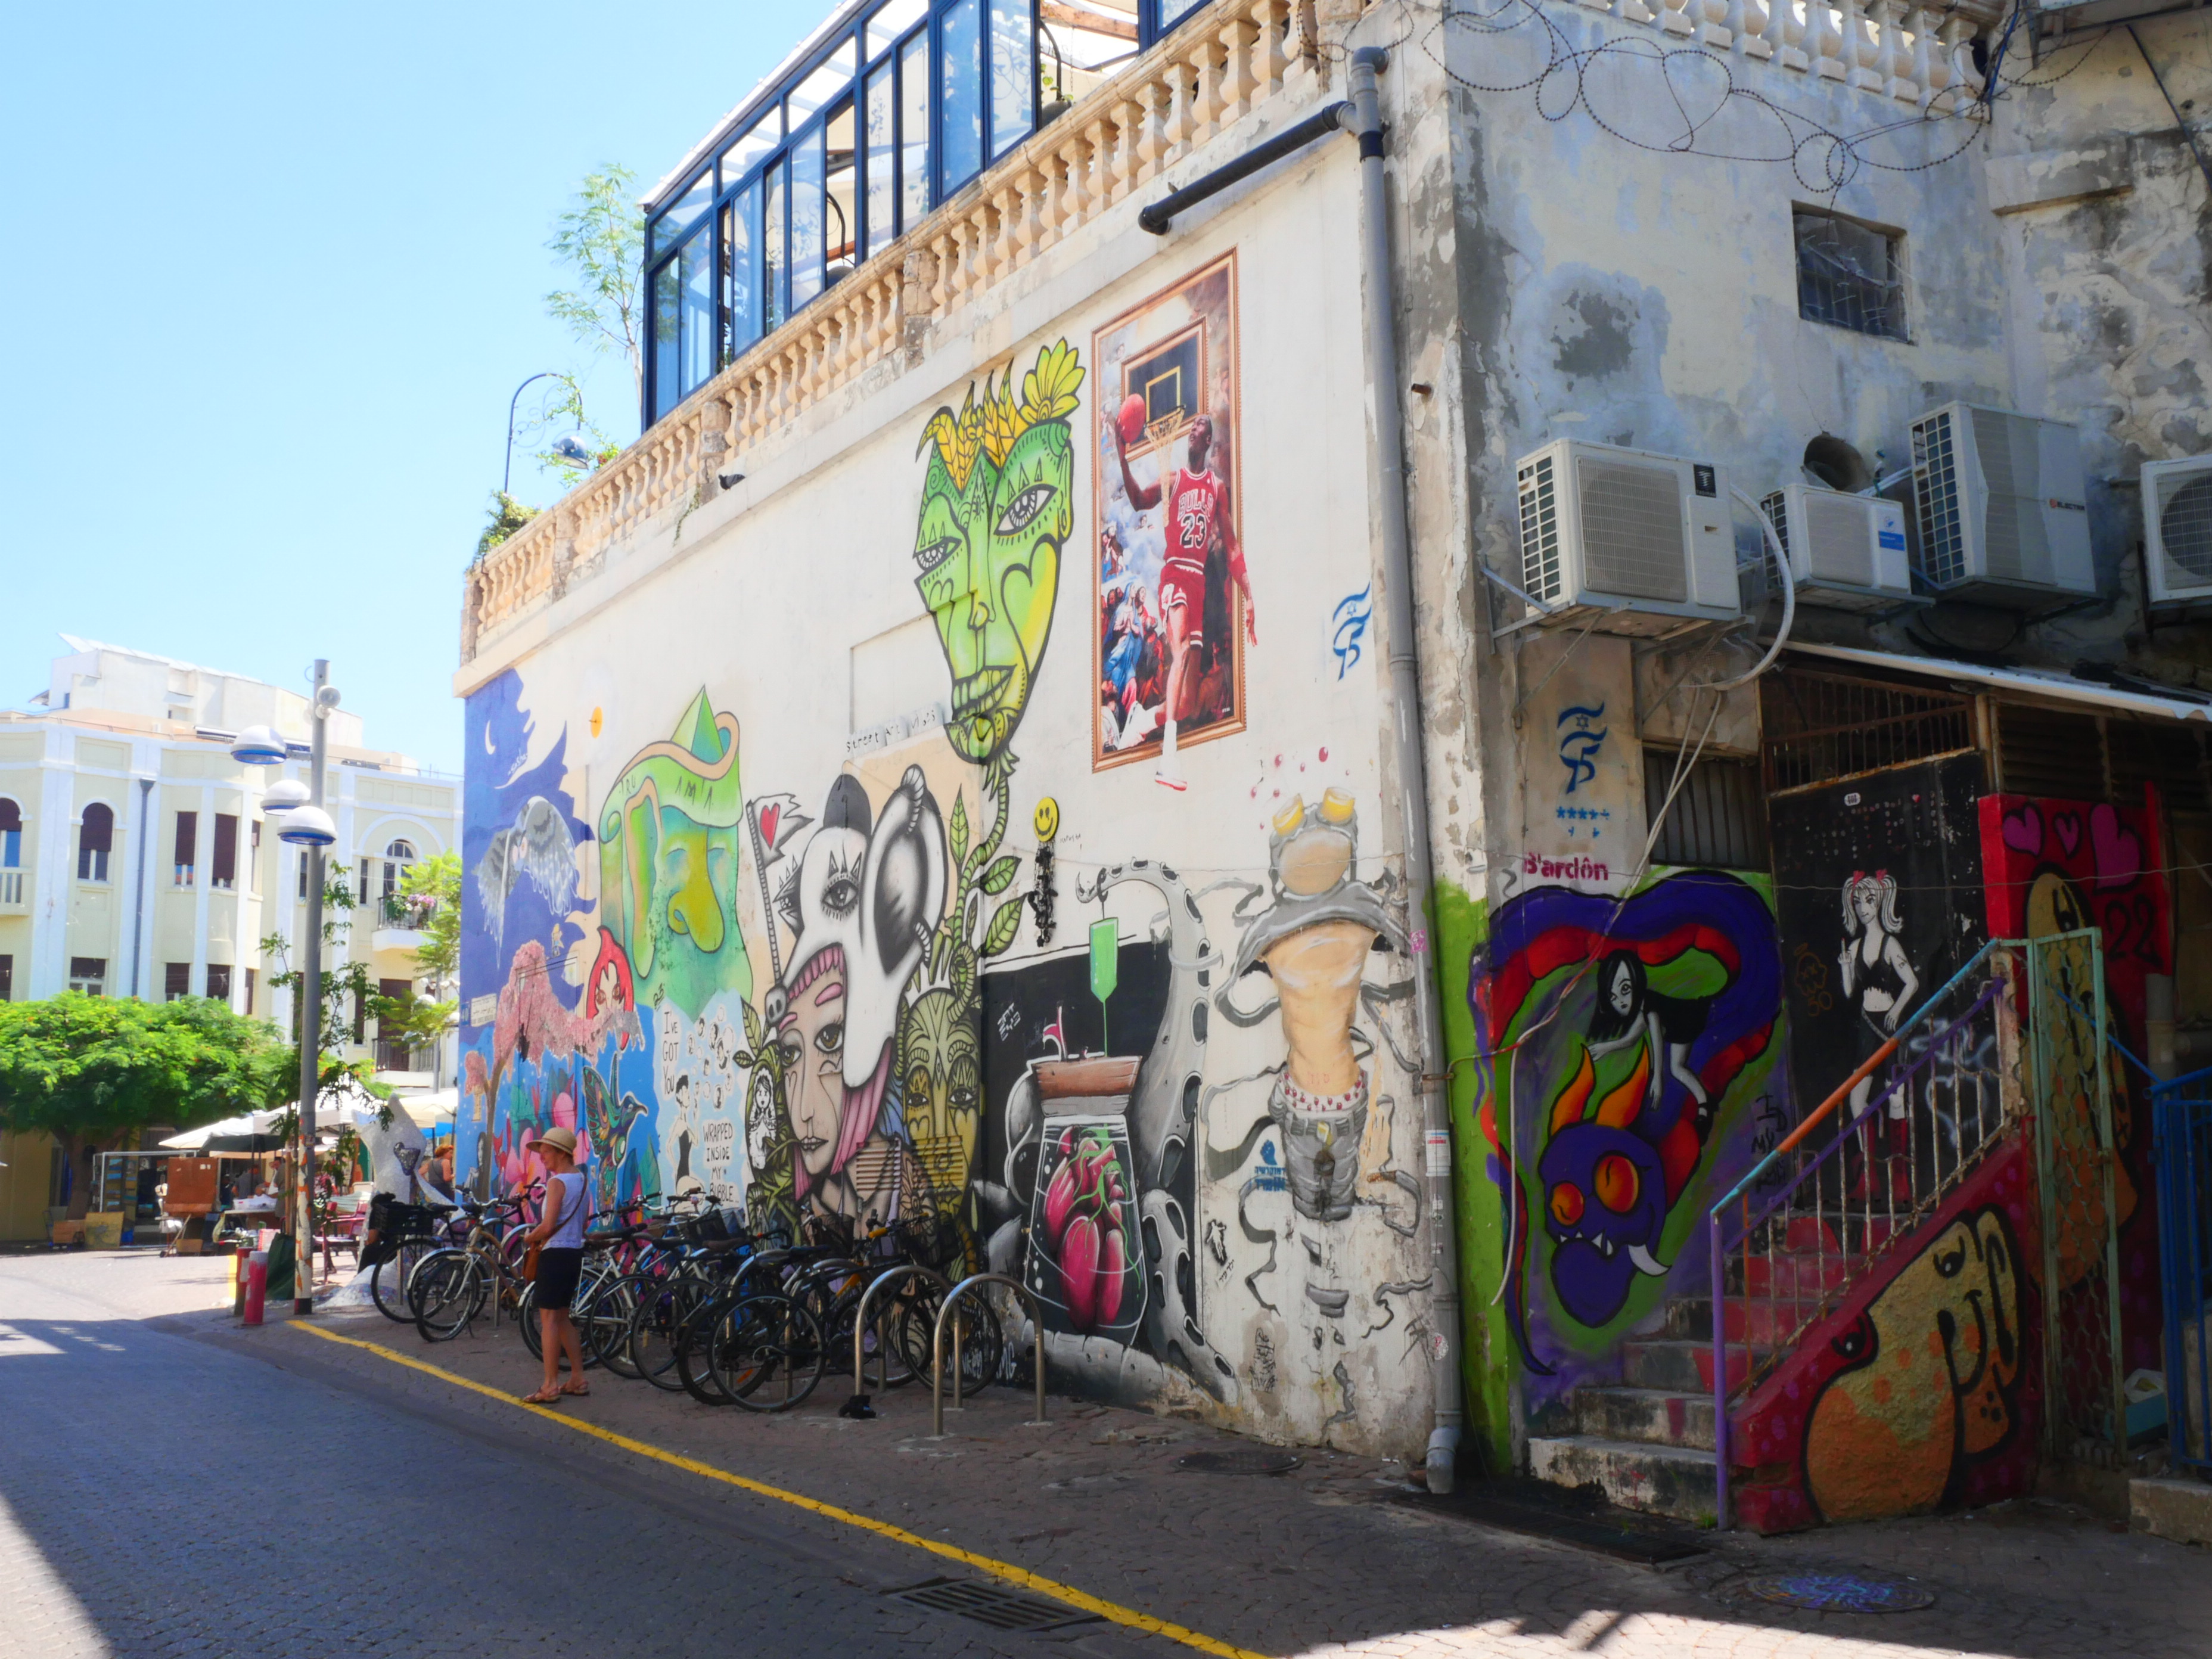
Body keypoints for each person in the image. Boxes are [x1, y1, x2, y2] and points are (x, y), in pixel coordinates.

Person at [1111, 409, 1256, 789]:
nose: (1193, 431)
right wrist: (1123, 458)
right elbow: (1139, 500)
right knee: (1180, 653)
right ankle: (1168, 759)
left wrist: (1249, 594)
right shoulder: (1173, 480)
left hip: (1198, 584)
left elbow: (1232, 545)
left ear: (1208, 441)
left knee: (1188, 703)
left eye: (1200, 428)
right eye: (1191, 428)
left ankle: (1145, 720)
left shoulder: (1216, 488)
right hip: (1175, 574)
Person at [521, 1126, 589, 1405]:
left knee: (549, 1320)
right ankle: (578, 1378)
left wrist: (529, 1237)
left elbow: (548, 1225)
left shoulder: (557, 1182)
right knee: (562, 1318)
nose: (542, 1156)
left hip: (555, 1254)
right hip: (573, 1253)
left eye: (546, 1151)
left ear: (561, 1153)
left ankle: (550, 1385)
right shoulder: (581, 1180)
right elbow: (582, 1224)